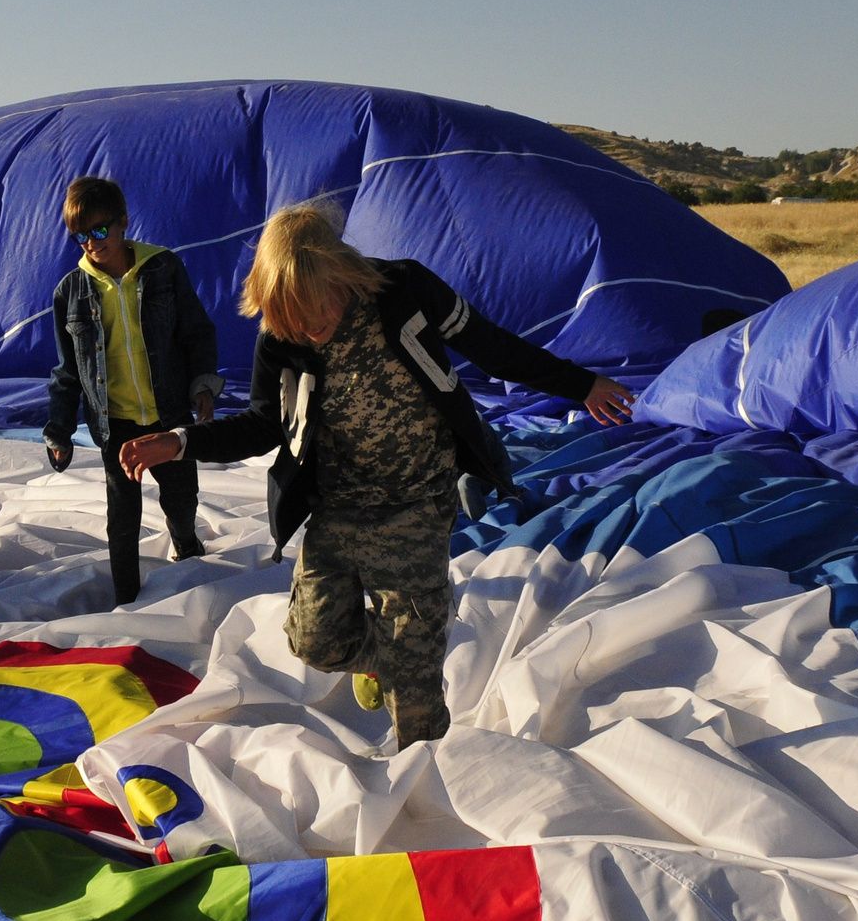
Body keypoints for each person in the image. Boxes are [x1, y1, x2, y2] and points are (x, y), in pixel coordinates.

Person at [120, 201, 633, 747]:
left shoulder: (405, 289)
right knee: (315, 643)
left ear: (340, 274)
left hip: (418, 499)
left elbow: (492, 347)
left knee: (414, 689)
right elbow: (263, 425)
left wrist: (581, 385)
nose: (312, 335)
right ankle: (391, 656)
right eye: (297, 326)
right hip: (339, 507)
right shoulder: (283, 337)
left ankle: (425, 771)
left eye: (318, 318)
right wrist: (179, 442)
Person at [42, 176, 223, 606]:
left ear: (123, 222)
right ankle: (127, 601)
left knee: (181, 501)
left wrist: (202, 386)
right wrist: (59, 430)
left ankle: (187, 546)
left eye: (100, 231)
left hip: (168, 415)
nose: (92, 243)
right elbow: (68, 371)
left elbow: (197, 333)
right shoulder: (70, 292)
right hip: (116, 423)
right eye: (81, 236)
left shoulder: (163, 268)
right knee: (122, 520)